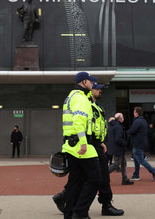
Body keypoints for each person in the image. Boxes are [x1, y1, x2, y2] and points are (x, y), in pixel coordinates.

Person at [53, 82, 124, 216]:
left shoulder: (94, 105)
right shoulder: (85, 102)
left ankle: (68, 203)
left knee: (82, 177)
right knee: (96, 177)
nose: (100, 91)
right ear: (90, 90)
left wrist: (100, 141)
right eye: (97, 89)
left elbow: (94, 126)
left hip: (93, 143)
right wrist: (86, 142)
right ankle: (84, 209)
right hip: (87, 145)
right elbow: (81, 124)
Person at [60, 72, 101, 219]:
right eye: (91, 81)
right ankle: (80, 212)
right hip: (81, 146)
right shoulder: (81, 98)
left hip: (70, 145)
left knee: (75, 181)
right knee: (95, 178)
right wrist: (83, 143)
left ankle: (69, 214)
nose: (93, 84)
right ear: (84, 82)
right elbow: (78, 121)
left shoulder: (70, 97)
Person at [126, 107, 155, 182]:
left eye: (134, 112)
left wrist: (126, 132)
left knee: (140, 160)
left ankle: (154, 172)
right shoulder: (143, 120)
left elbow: (132, 130)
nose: (133, 113)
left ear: (137, 113)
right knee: (136, 159)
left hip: (137, 143)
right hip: (140, 142)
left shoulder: (137, 121)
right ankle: (136, 175)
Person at [107, 113, 133, 185]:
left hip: (116, 148)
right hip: (118, 148)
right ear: (121, 119)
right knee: (116, 164)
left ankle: (124, 179)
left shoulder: (112, 126)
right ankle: (104, 174)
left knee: (123, 163)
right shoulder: (118, 127)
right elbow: (118, 139)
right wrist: (124, 143)